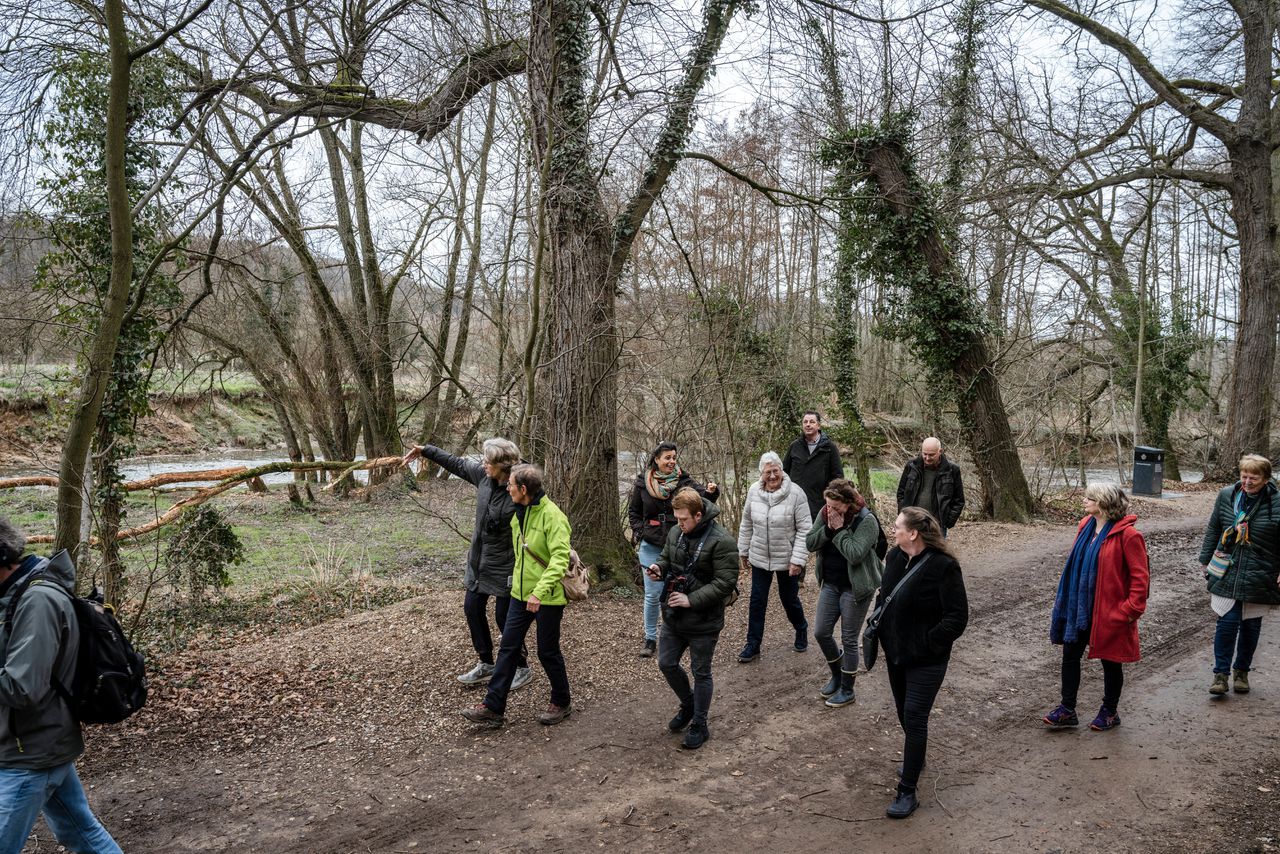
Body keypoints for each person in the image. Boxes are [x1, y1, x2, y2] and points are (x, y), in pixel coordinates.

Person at [0, 518, 123, 854]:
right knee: (83, 835)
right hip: (37, 742)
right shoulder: (13, 595)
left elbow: (23, 687)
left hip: (30, 750)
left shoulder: (36, 601)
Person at [403, 438, 532, 691]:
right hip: (479, 561)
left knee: (504, 617)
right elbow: (457, 464)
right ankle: (486, 663)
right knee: (472, 609)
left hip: (508, 563)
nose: (483, 465)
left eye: (488, 462)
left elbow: (537, 522)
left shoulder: (523, 486)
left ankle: (521, 666)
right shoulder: (484, 477)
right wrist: (426, 451)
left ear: (503, 465)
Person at [461, 464, 573, 728]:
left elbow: (559, 559)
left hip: (547, 597)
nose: (507, 487)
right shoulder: (518, 513)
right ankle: (493, 708)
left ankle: (562, 701)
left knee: (547, 652)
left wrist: (539, 592)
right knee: (508, 649)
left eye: (510, 484)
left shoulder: (553, 516)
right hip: (519, 595)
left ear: (523, 489)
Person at [875, 507, 968, 819]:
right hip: (896, 654)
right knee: (904, 713)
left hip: (927, 659)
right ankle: (917, 755)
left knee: (914, 717)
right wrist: (881, 632)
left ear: (913, 533)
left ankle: (907, 790)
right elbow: (883, 596)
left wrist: (928, 643)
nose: (893, 529)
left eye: (898, 526)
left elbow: (957, 618)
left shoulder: (944, 567)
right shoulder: (894, 557)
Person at [1042, 484, 1149, 731]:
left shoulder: (1129, 536)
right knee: (1070, 656)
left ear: (1103, 504)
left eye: (1090, 498)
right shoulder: (1085, 525)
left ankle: (1110, 711)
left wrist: (1128, 611)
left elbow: (1140, 579)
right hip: (1079, 607)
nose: (1084, 501)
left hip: (1110, 611)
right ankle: (1067, 709)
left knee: (1111, 661)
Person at [645, 488, 738, 750]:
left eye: (684, 519)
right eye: (676, 518)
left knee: (701, 672)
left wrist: (692, 599)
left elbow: (725, 582)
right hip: (674, 615)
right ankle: (688, 704)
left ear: (699, 515)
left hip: (704, 620)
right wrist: (658, 569)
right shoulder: (676, 532)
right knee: (666, 663)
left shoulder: (722, 541)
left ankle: (700, 724)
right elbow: (666, 559)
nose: (679, 524)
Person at [1198, 454, 1280, 696]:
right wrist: (1205, 559)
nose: (1247, 481)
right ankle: (1220, 675)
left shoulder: (1276, 501)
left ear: (1266, 479)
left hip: (1261, 569)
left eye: (1253, 477)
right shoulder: (1227, 495)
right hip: (1228, 566)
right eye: (1244, 476)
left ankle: (1241, 672)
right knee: (1227, 621)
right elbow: (1214, 526)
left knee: (1251, 625)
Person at [628, 442, 719, 658]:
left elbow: (702, 498)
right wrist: (641, 531)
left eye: (674, 457)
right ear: (656, 459)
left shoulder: (683, 481)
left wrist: (710, 491)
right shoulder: (643, 482)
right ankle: (650, 638)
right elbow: (634, 512)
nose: (671, 461)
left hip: (677, 544)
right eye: (667, 457)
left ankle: (674, 632)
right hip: (650, 544)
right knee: (652, 594)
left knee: (675, 589)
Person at [804, 480, 883, 708]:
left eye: (836, 508)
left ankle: (847, 689)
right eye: (828, 506)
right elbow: (810, 542)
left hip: (855, 587)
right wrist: (828, 528)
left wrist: (837, 531)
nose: (831, 511)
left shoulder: (867, 520)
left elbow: (855, 554)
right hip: (830, 583)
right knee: (821, 632)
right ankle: (837, 675)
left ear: (848, 504)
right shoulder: (825, 512)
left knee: (849, 639)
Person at [736, 452, 812, 663]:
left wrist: (797, 560)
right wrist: (743, 550)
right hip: (760, 556)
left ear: (781, 470)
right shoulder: (753, 491)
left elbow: (805, 529)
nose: (771, 476)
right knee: (757, 601)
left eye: (775, 471)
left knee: (789, 599)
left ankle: (801, 628)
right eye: (767, 472)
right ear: (761, 473)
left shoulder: (796, 494)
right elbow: (746, 522)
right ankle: (753, 644)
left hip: (787, 558)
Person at [895, 437, 965, 536]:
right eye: (925, 454)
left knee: (935, 552)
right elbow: (901, 493)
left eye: (931, 455)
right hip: (913, 522)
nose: (927, 458)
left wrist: (948, 521)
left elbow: (959, 500)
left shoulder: (952, 470)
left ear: (940, 451)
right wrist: (904, 515)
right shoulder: (911, 466)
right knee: (912, 551)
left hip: (937, 525)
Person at [782, 411, 844, 519]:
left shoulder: (829, 448)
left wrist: (831, 502)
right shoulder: (795, 446)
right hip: (794, 505)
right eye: (805, 422)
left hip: (819, 506)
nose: (808, 424)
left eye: (812, 422)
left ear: (818, 425)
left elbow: (838, 477)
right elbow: (784, 472)